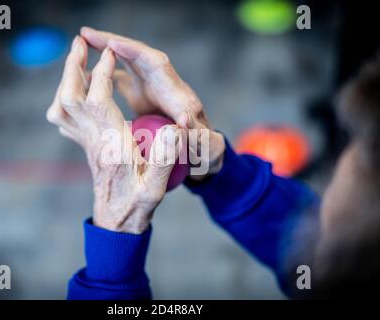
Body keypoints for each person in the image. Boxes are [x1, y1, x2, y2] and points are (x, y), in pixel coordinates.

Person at [46, 27, 380, 299]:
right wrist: (221, 172)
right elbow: (326, 252)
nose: (342, 162)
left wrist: (114, 247)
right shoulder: (356, 257)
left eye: (356, 150)